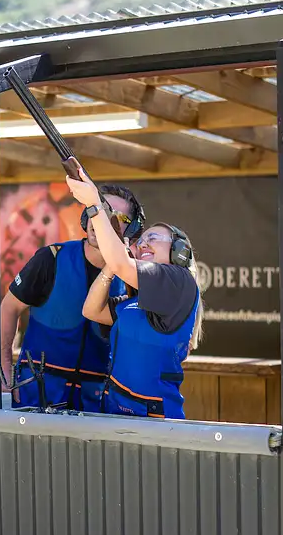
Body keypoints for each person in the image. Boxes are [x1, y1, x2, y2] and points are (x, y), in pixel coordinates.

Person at [67, 168, 204, 420]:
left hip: (153, 420)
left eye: (153, 237)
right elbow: (91, 310)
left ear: (179, 252)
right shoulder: (136, 302)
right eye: (141, 241)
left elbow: (123, 266)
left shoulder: (179, 280)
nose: (143, 244)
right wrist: (112, 265)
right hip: (116, 412)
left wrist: (95, 205)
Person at [0, 183, 145, 412]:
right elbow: (9, 307)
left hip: (96, 403)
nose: (104, 221)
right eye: (99, 211)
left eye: (118, 218)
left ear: (132, 229)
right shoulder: (51, 258)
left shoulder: (133, 278)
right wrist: (6, 371)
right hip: (36, 395)